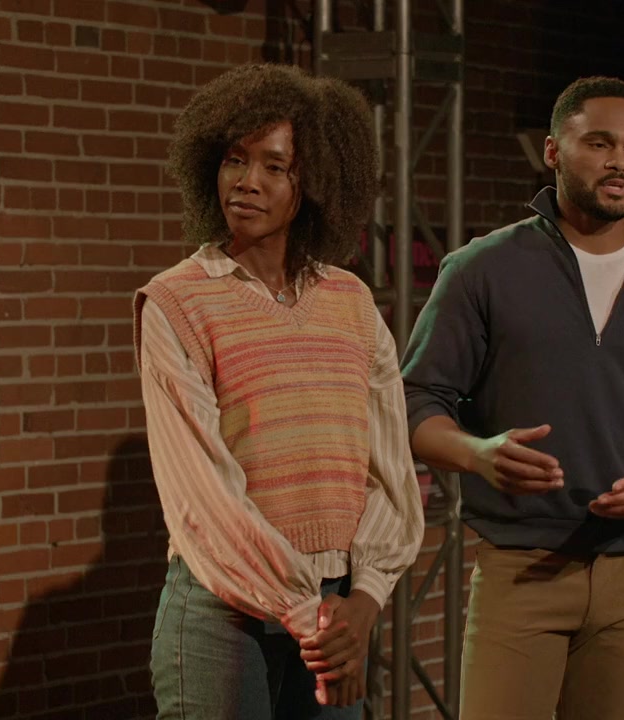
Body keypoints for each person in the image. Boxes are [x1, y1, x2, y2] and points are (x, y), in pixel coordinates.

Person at [402, 76, 624, 720]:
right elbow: (415, 402)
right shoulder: (482, 269)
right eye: (600, 144)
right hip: (521, 569)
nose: (620, 162)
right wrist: (478, 453)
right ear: (553, 151)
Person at [134, 63, 424, 719]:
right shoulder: (177, 302)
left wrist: (364, 602)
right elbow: (204, 495)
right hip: (224, 615)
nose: (247, 181)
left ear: (314, 183)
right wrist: (311, 614)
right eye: (235, 160)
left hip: (337, 611)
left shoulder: (351, 302)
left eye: (275, 166)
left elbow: (389, 471)